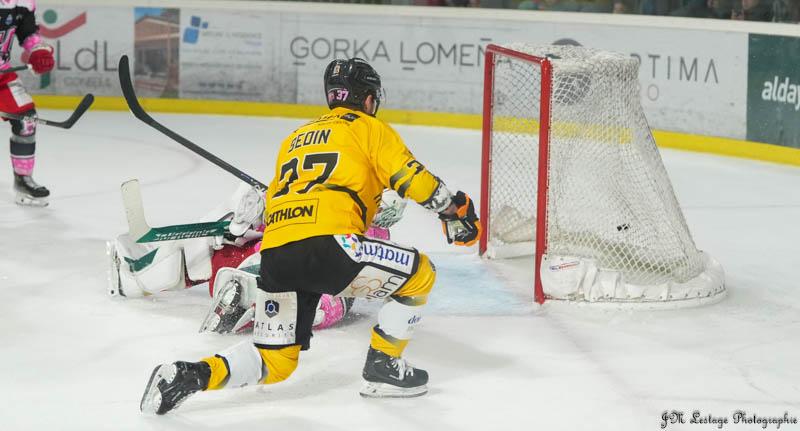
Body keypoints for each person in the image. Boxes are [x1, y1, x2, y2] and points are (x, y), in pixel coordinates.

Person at [139, 57, 481, 415]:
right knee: (421, 273)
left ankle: (188, 375)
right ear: (368, 99)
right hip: (331, 245)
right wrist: (453, 208)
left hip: (276, 254)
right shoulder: (368, 128)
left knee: (275, 362)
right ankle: (383, 368)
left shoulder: (295, 137)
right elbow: (414, 180)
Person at [108, 184, 407, 333]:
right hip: (261, 263)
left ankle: (245, 302)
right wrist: (249, 218)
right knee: (203, 251)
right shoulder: (332, 202)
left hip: (300, 282)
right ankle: (135, 279)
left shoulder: (371, 233)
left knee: (318, 301)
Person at [1, 0, 55, 206]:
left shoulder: (21, 3)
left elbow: (28, 33)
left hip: (1, 74)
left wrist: (39, 51)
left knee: (26, 121)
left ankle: (23, 180)